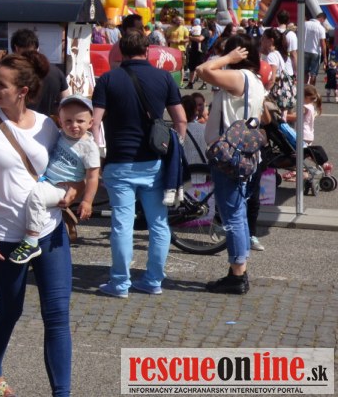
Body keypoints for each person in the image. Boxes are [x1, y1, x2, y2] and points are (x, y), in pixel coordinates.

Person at [0, 51, 72, 397]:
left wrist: (71, 190)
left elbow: (65, 170)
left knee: (57, 315)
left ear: (23, 91)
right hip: (5, 237)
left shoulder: (47, 125)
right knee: (9, 309)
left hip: (49, 232)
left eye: (0, 85)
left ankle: (62, 393)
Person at [92, 32, 186, 298]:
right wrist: (175, 146)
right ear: (148, 51)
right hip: (154, 162)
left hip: (119, 163)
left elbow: (95, 122)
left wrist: (98, 155)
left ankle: (120, 283)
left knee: (122, 224)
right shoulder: (164, 78)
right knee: (159, 223)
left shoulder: (108, 79)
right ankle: (153, 280)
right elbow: (180, 119)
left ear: (120, 52)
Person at [195, 34, 265, 295]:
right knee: (239, 213)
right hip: (245, 155)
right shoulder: (255, 80)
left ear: (240, 53)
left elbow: (201, 70)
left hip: (229, 156)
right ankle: (239, 270)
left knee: (232, 215)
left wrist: (228, 58)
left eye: (229, 51)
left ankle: (237, 274)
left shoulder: (239, 77)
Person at [8, 95, 100, 265]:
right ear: (60, 121)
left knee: (37, 196)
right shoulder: (60, 135)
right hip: (46, 179)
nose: (74, 125)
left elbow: (93, 177)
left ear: (91, 122)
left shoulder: (89, 148)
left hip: (62, 186)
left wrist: (87, 201)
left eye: (80, 121)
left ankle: (31, 241)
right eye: (68, 121)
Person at [10, 28, 70, 117]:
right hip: (45, 122)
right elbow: (66, 103)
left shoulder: (12, 72)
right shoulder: (56, 72)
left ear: (16, 48)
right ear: (37, 48)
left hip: (18, 122)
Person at [303, 12, 327, 85]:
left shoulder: (305, 24)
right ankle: (311, 89)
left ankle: (304, 88)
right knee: (313, 73)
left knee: (305, 71)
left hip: (304, 50)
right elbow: (323, 43)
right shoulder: (321, 28)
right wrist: (325, 57)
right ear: (322, 19)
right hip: (315, 52)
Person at [185, 18, 209, 89]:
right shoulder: (194, 29)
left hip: (201, 51)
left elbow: (200, 39)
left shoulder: (204, 31)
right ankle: (190, 83)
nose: (197, 23)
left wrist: (190, 37)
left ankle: (204, 84)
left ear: (203, 23)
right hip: (193, 50)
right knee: (192, 67)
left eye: (200, 22)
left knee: (201, 68)